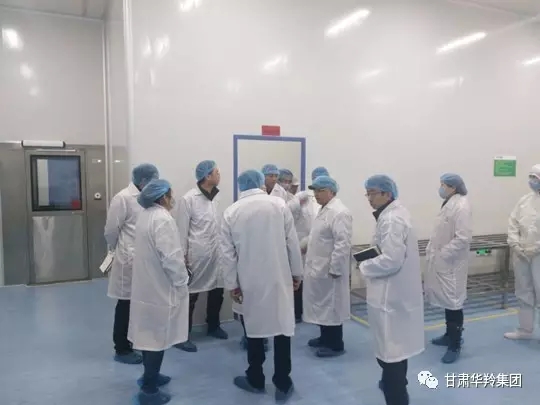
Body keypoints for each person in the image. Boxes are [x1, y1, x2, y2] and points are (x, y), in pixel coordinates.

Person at [220, 169, 303, 403]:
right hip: (279, 277)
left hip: (249, 280)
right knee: (282, 328)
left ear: (241, 186)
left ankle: (255, 378)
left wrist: (232, 285)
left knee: (254, 330)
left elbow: (228, 254)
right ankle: (283, 382)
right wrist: (296, 273)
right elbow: (292, 243)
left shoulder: (231, 212)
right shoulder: (279, 205)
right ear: (260, 183)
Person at [359, 175, 424, 405]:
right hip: (394, 294)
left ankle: (397, 396)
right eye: (367, 193)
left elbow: (391, 260)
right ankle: (394, 384)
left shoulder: (392, 219)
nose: (369, 198)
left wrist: (364, 266)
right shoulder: (392, 214)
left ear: (387, 194)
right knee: (395, 348)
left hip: (390, 296)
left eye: (372, 193)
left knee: (391, 352)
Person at [128, 179, 190, 405]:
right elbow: (171, 257)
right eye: (171, 194)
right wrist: (182, 280)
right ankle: (149, 390)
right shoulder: (163, 219)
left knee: (148, 334)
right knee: (157, 337)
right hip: (160, 288)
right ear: (163, 197)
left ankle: (149, 375)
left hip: (147, 285)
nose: (173, 198)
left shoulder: (146, 215)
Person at [104, 163, 159, 365]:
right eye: (152, 180)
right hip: (128, 259)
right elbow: (111, 231)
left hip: (145, 259)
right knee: (125, 304)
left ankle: (134, 340)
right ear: (143, 181)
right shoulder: (123, 198)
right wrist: (120, 249)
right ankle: (121, 348)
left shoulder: (149, 197)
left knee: (140, 303)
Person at [174, 160, 227, 353]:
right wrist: (183, 257)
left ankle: (213, 325)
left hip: (217, 252)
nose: (219, 175)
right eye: (217, 172)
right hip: (197, 254)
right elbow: (182, 231)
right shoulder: (189, 199)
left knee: (217, 291)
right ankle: (182, 335)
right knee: (191, 295)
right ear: (207, 176)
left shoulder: (217, 197)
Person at [424, 173, 472, 364]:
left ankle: (455, 344)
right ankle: (448, 335)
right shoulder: (449, 203)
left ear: (453, 187)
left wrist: (444, 253)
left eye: (444, 185)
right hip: (444, 262)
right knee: (447, 300)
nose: (441, 188)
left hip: (452, 264)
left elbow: (463, 237)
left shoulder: (461, 206)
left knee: (453, 302)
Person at [303, 175, 352, 358]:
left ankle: (336, 345)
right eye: (315, 191)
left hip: (330, 270)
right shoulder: (324, 210)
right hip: (318, 268)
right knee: (322, 306)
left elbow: (342, 243)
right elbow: (318, 237)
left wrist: (336, 269)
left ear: (332, 191)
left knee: (332, 307)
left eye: (321, 190)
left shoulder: (340, 212)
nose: (316, 194)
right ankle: (324, 338)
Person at [504, 164, 540, 340]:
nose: (532, 181)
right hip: (522, 254)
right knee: (523, 291)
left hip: (538, 255)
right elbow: (513, 222)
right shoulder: (524, 200)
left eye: (536, 178)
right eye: (531, 177)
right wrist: (515, 243)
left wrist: (537, 247)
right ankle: (525, 330)